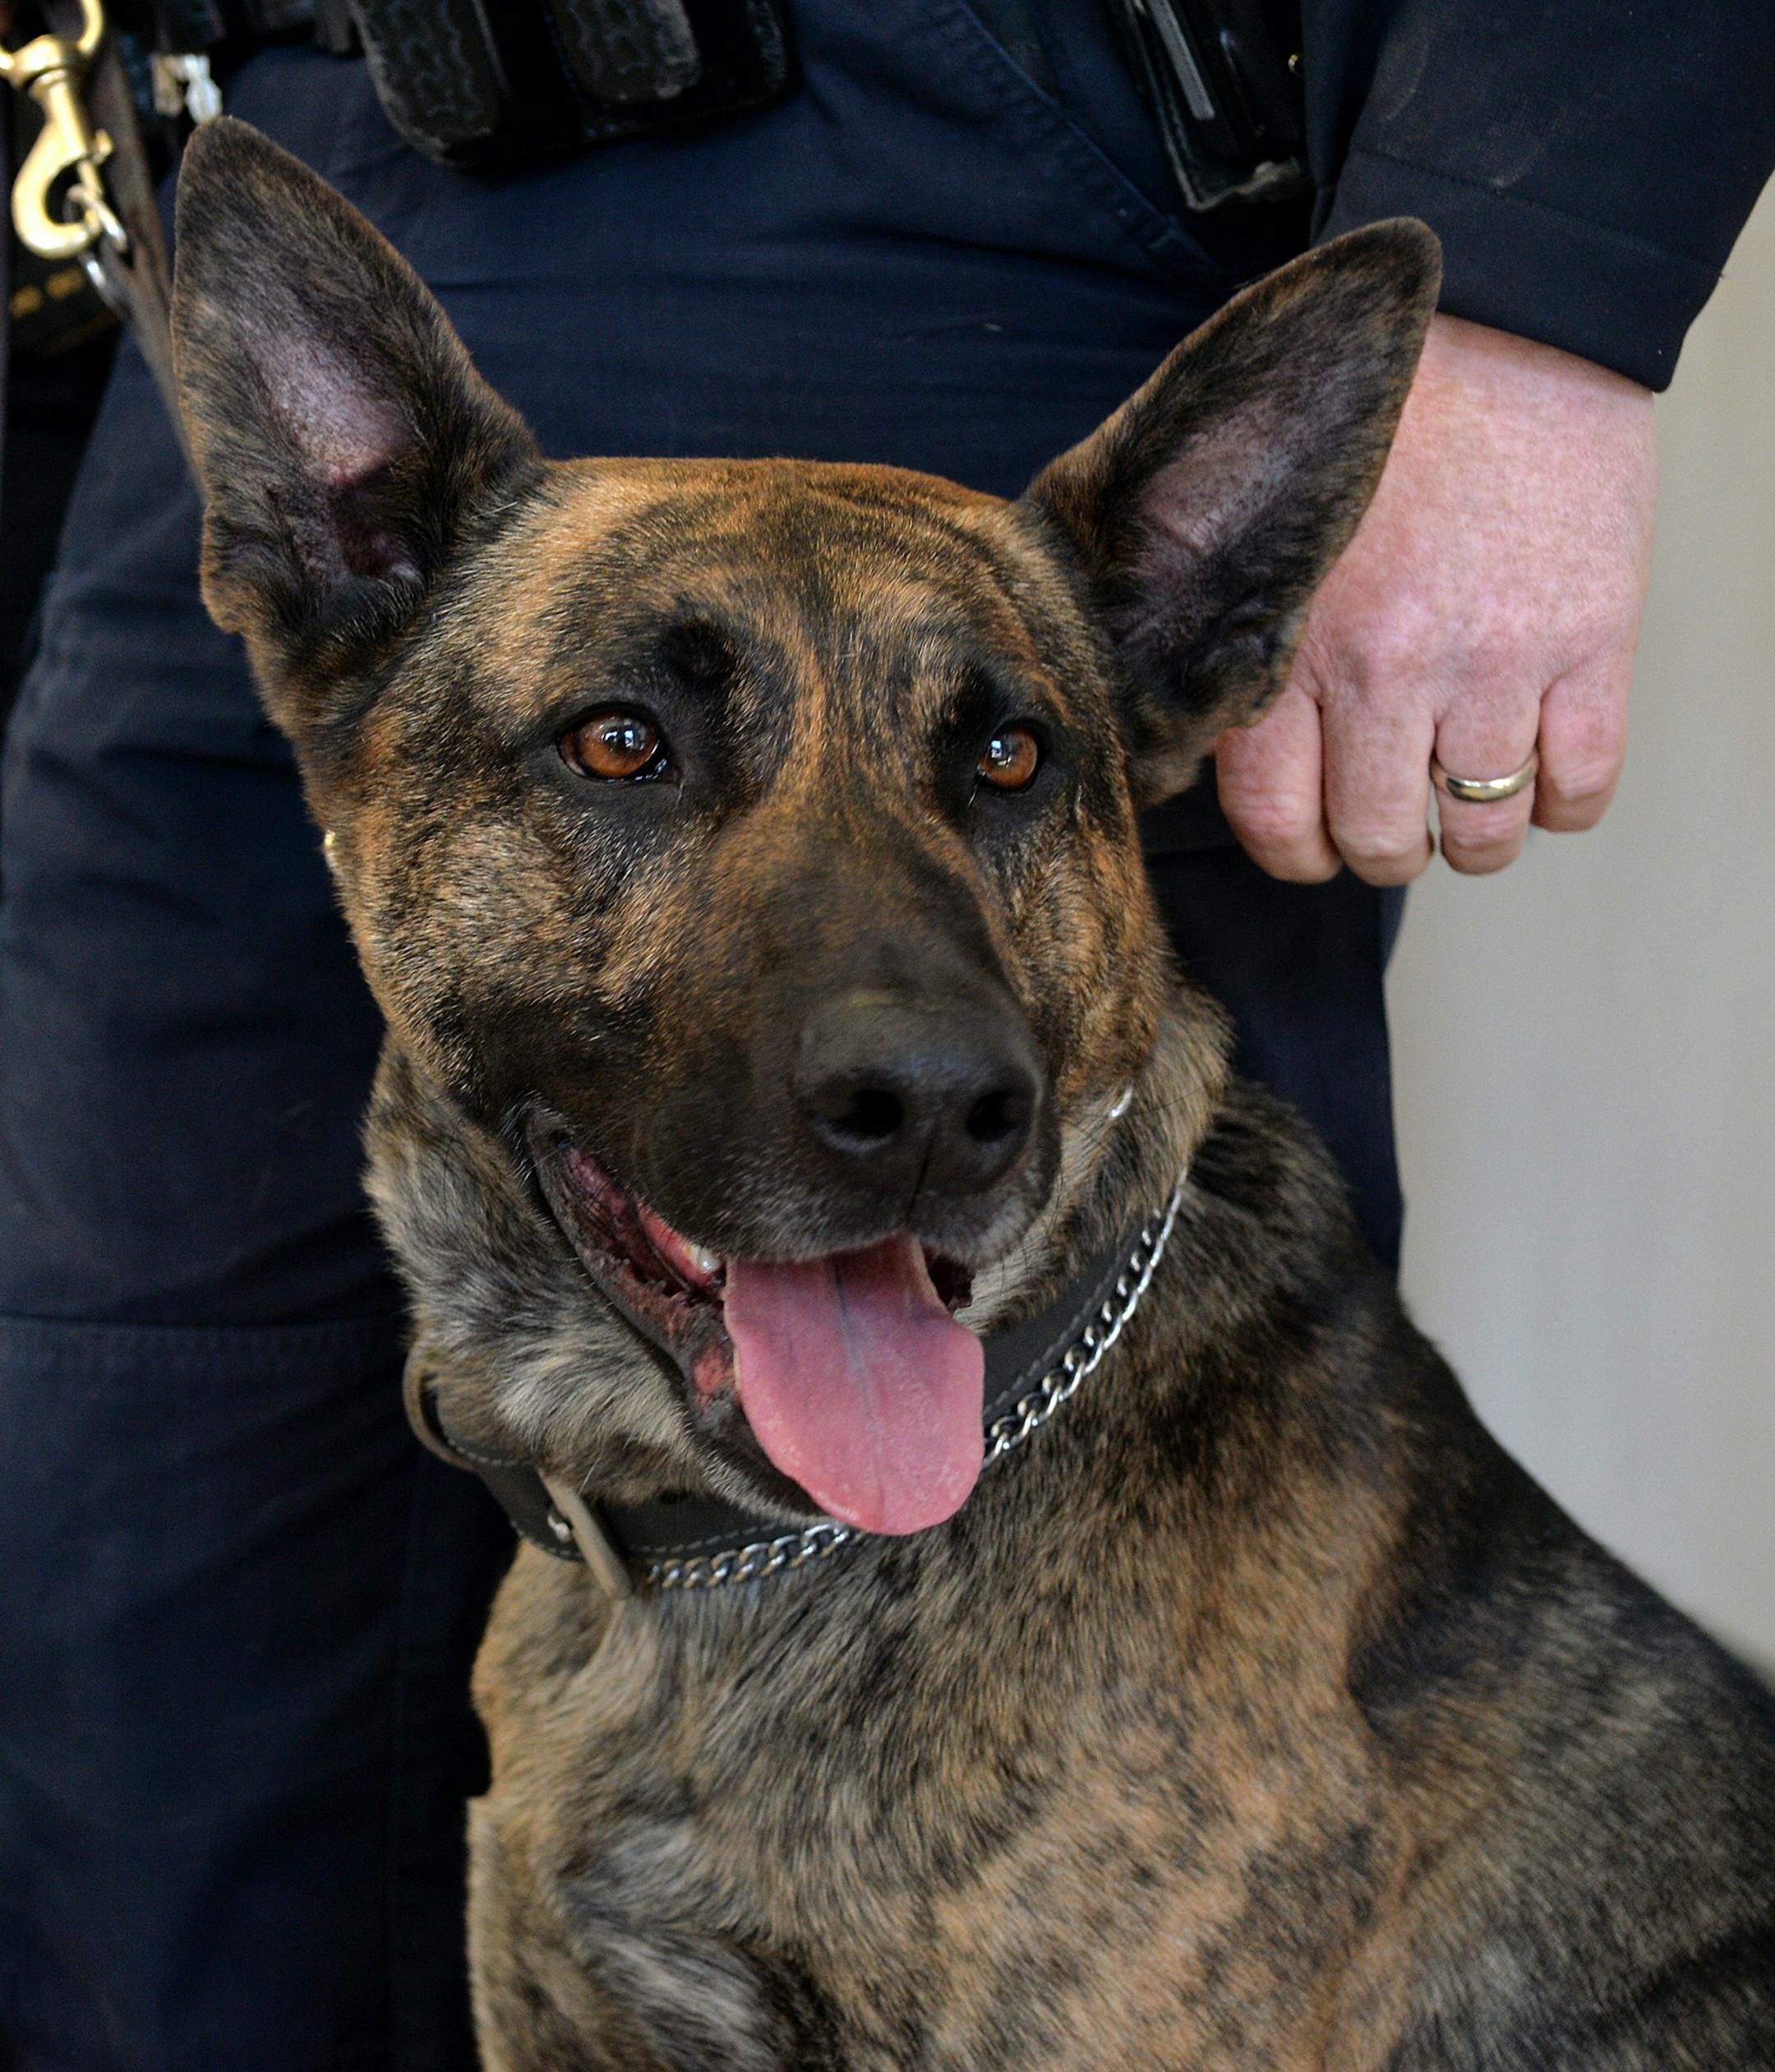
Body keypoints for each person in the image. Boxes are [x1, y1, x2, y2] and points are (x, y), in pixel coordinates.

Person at [0, 4, 1768, 2065]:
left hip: (988, 125)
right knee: (159, 1710)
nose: (922, 1070)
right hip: (278, 108)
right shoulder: (354, 551)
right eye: (627, 746)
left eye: (1005, 757)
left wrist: (1545, 273)